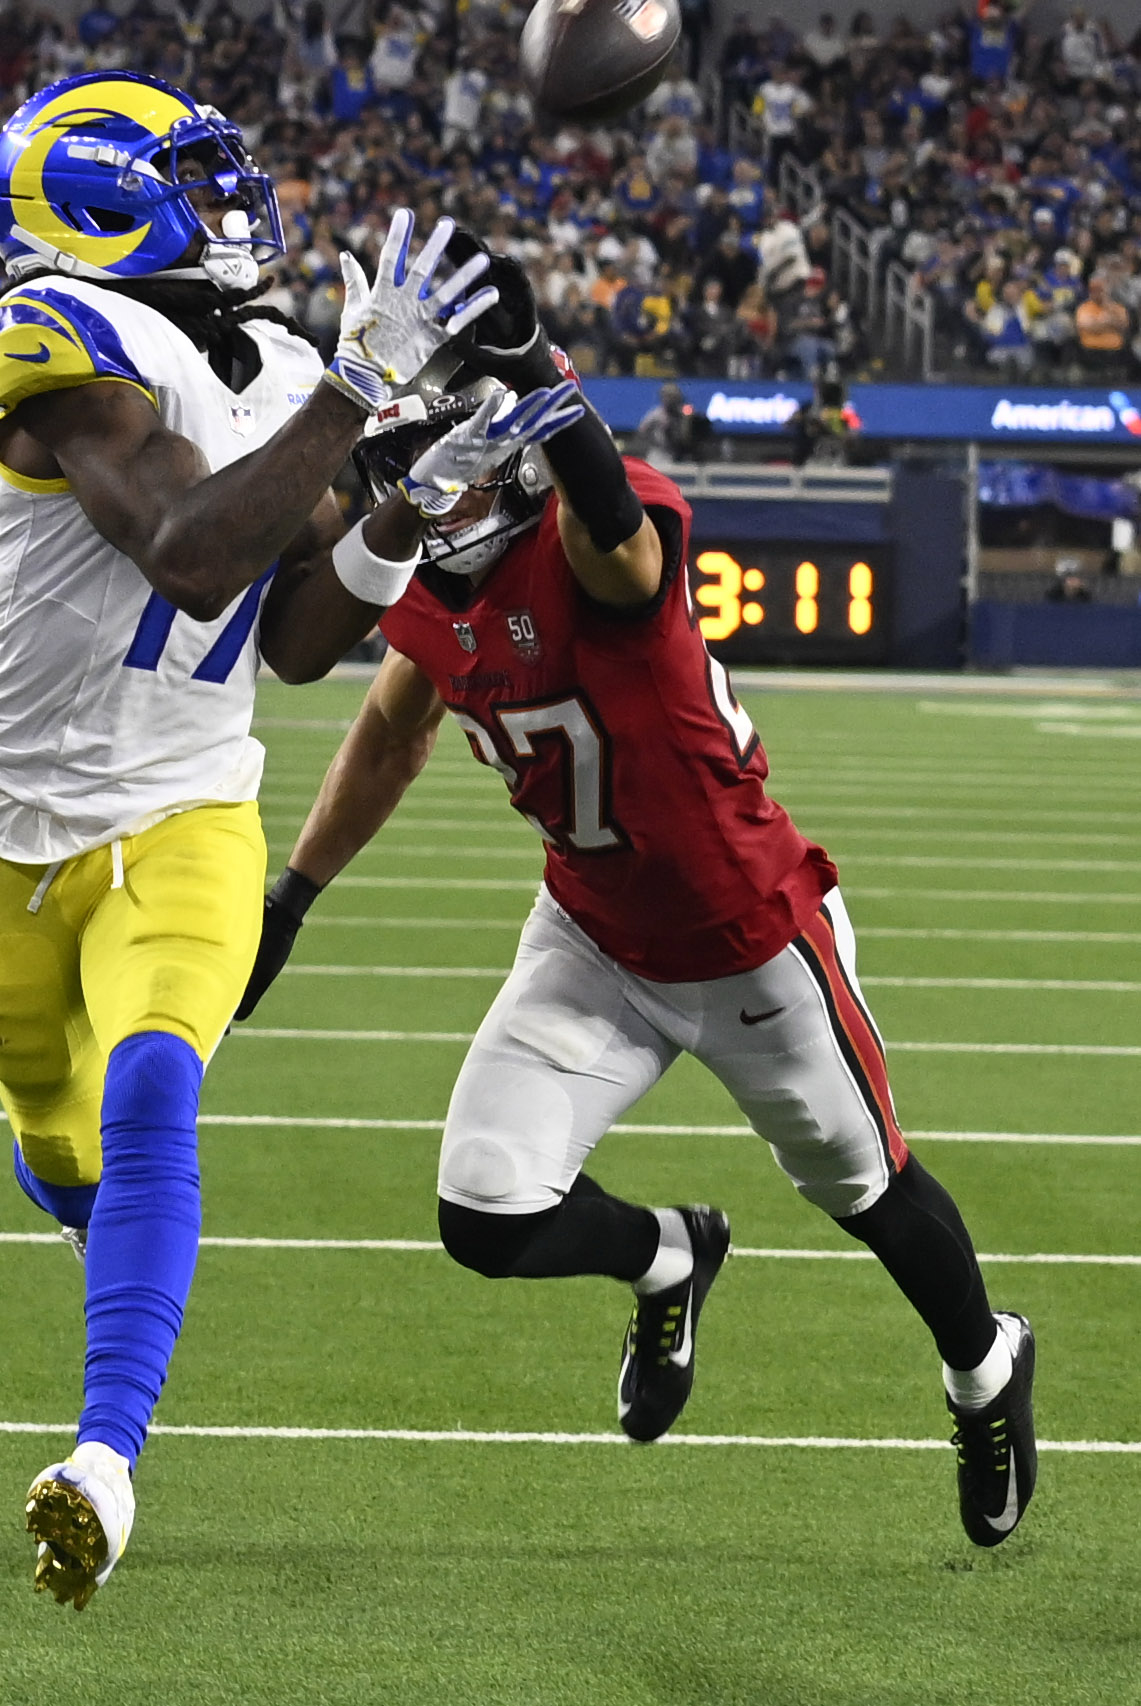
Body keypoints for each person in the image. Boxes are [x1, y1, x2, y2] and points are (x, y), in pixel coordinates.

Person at [238, 242, 1038, 1554]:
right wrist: (293, 898)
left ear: (483, 455)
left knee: (865, 1186)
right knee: (485, 1208)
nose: (385, 500)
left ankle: (984, 1365)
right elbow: (388, 737)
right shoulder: (439, 597)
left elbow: (612, 529)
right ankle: (669, 1251)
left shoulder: (586, 542)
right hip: (592, 935)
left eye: (402, 467)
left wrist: (538, 363)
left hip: (743, 937)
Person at [0, 69, 555, 1611]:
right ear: (96, 201)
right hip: (13, 826)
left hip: (192, 801)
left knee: (154, 1084)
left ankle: (103, 1459)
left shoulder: (271, 358)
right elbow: (194, 555)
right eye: (193, 175)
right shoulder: (52, 333)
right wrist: (350, 401)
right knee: (53, 1140)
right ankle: (114, 1253)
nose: (234, 201)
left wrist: (404, 503)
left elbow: (295, 642)